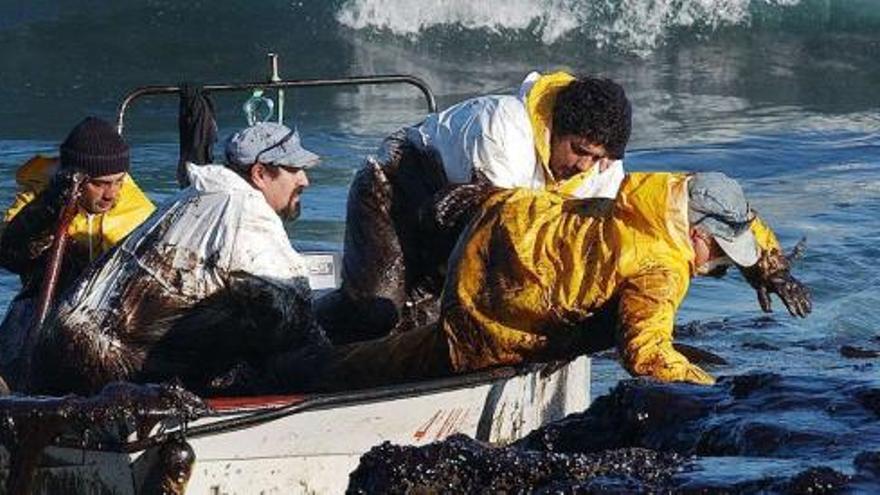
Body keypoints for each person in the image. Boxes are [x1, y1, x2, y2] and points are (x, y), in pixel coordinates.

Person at [266, 172, 811, 391]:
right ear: (694, 231)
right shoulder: (661, 267)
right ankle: (275, 376)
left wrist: (770, 265)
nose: (715, 261)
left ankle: (294, 352)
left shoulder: (662, 195)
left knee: (397, 339)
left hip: (507, 217)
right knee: (400, 361)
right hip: (496, 307)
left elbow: (745, 217)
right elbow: (645, 355)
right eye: (715, 249)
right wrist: (717, 393)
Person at [317, 71, 633, 343]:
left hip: (454, 216)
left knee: (422, 324)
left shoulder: (602, 168)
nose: (584, 166)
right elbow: (499, 242)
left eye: (598, 157)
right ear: (555, 125)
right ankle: (301, 335)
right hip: (397, 188)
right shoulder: (503, 128)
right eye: (579, 151)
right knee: (376, 312)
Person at [25, 121, 328, 395]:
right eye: (293, 169)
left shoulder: (192, 196)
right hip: (108, 374)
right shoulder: (245, 213)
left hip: (56, 351)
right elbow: (294, 322)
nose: (305, 180)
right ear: (260, 174)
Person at [0, 117, 155, 381]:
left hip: (114, 319)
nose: (111, 194)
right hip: (44, 312)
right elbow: (9, 254)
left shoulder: (139, 209)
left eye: (118, 181)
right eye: (100, 183)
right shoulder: (39, 199)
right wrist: (49, 208)